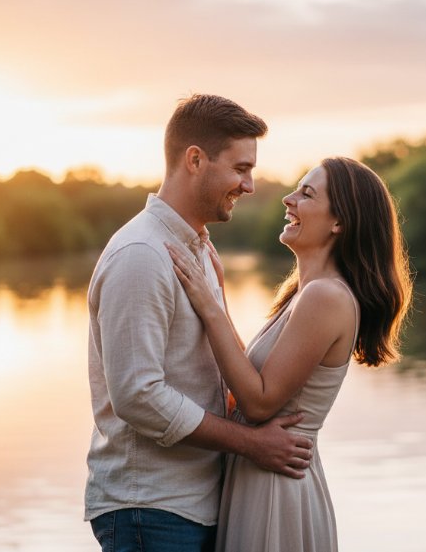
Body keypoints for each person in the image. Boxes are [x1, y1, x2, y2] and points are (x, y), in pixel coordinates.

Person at [85, 94, 314, 552]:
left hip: (192, 505)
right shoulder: (142, 256)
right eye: (241, 168)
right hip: (149, 509)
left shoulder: (199, 251)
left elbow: (201, 376)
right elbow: (138, 395)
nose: (249, 185)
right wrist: (250, 443)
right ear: (195, 160)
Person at [166, 156, 413, 552]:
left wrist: (210, 306)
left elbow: (260, 403)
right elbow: (253, 379)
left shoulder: (326, 296)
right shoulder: (306, 293)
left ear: (339, 222)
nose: (288, 198)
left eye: (306, 193)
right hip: (263, 475)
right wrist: (219, 299)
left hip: (275, 488)